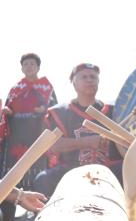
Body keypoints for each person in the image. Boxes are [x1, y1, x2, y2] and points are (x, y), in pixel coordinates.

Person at [33, 63, 123, 198]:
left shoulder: (115, 111)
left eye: (93, 77)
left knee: (131, 172)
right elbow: (54, 146)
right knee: (43, 179)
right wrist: (87, 142)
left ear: (98, 82)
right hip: (71, 169)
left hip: (109, 168)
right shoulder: (60, 112)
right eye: (84, 77)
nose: (89, 80)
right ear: (74, 84)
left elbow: (129, 145)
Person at [0, 53, 57, 190]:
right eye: (25, 64)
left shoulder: (46, 87)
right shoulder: (16, 88)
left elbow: (55, 110)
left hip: (37, 132)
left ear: (38, 67)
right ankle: (10, 198)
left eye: (32, 64)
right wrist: (7, 111)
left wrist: (44, 109)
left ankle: (37, 199)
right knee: (14, 165)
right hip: (17, 134)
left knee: (38, 163)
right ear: (21, 68)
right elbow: (9, 107)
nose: (29, 66)